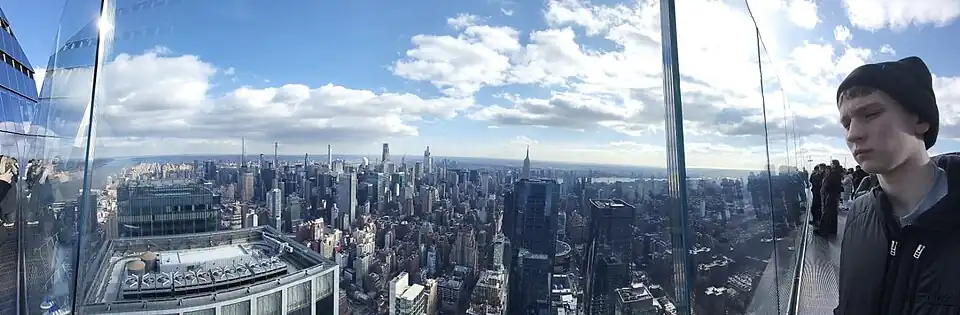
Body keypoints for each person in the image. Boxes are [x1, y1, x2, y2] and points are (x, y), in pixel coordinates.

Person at [834, 56, 960, 314]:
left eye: (870, 114)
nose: (852, 134)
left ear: (920, 120)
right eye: (846, 123)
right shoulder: (858, 215)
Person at [817, 160, 843, 236]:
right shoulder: (838, 174)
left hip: (830, 195)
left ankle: (823, 231)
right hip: (834, 195)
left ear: (834, 165)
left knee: (827, 212)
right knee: (833, 213)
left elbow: (828, 184)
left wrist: (824, 188)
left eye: (831, 164)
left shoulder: (833, 174)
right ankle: (832, 229)